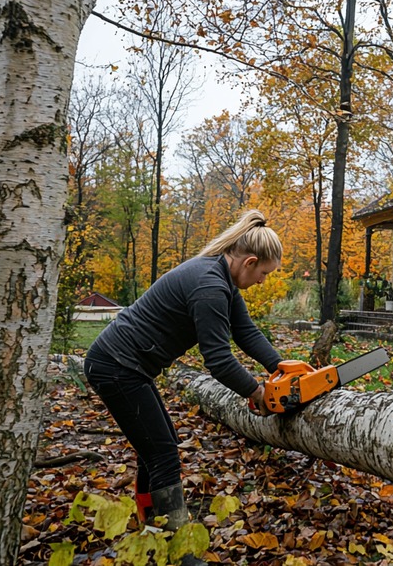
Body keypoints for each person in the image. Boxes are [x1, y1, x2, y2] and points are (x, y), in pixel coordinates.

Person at [84, 210, 282, 551]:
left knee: (159, 446)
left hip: (129, 367)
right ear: (250, 262)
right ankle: (175, 549)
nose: (263, 280)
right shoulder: (210, 285)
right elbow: (218, 360)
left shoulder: (219, 277)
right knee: (162, 454)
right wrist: (257, 392)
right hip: (116, 366)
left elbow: (246, 331)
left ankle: (150, 530)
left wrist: (283, 368)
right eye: (264, 273)